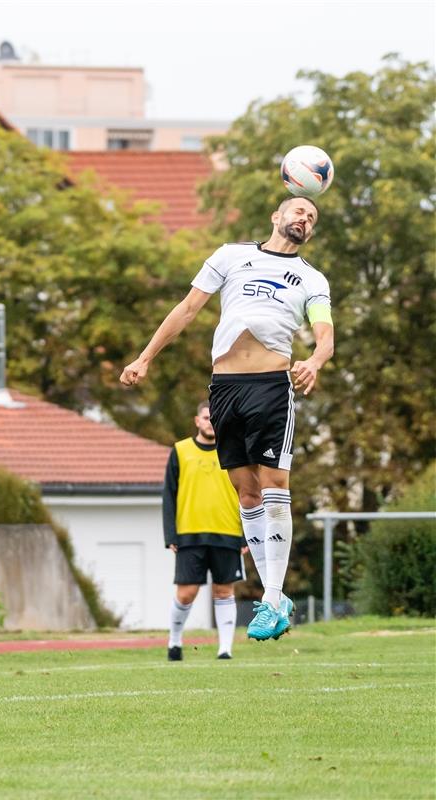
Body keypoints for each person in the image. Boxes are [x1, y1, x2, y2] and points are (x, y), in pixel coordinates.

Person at [121, 195, 335, 642]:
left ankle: (272, 598)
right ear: (276, 216)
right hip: (224, 389)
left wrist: (314, 361)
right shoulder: (231, 256)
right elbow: (186, 309)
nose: (304, 218)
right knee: (246, 492)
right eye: (298, 210)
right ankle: (275, 600)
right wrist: (144, 358)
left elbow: (324, 336)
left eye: (312, 217)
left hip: (272, 387)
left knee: (275, 483)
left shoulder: (312, 279)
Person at [163, 400, 246, 661]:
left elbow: (248, 492)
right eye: (206, 417)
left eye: (214, 418)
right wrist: (170, 535)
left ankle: (225, 650)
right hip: (190, 533)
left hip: (228, 532)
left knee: (224, 591)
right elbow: (169, 495)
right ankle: (174, 642)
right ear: (197, 420)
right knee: (186, 593)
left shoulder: (233, 450)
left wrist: (247, 534)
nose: (210, 422)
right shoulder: (180, 450)